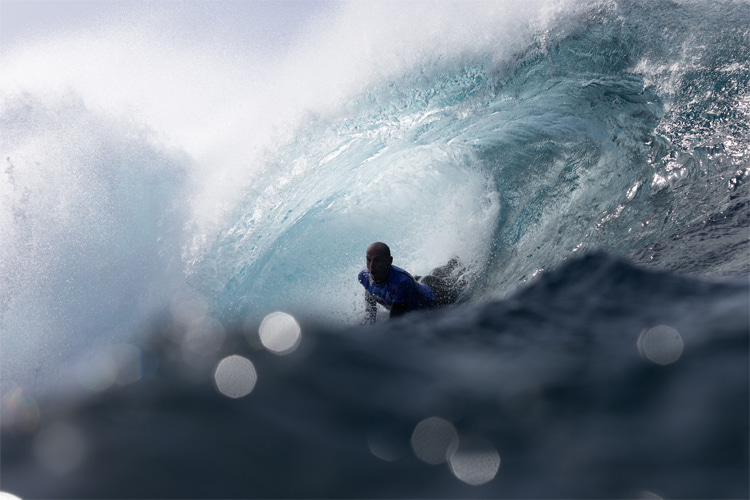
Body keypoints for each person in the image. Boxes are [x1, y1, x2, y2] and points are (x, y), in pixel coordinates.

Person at [358, 242, 466, 324]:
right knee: (435, 274)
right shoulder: (364, 276)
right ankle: (452, 262)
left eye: (377, 260)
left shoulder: (401, 283)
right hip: (416, 283)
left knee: (459, 287)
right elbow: (370, 297)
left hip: (435, 294)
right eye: (368, 260)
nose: (371, 266)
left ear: (389, 261)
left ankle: (460, 264)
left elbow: (394, 324)